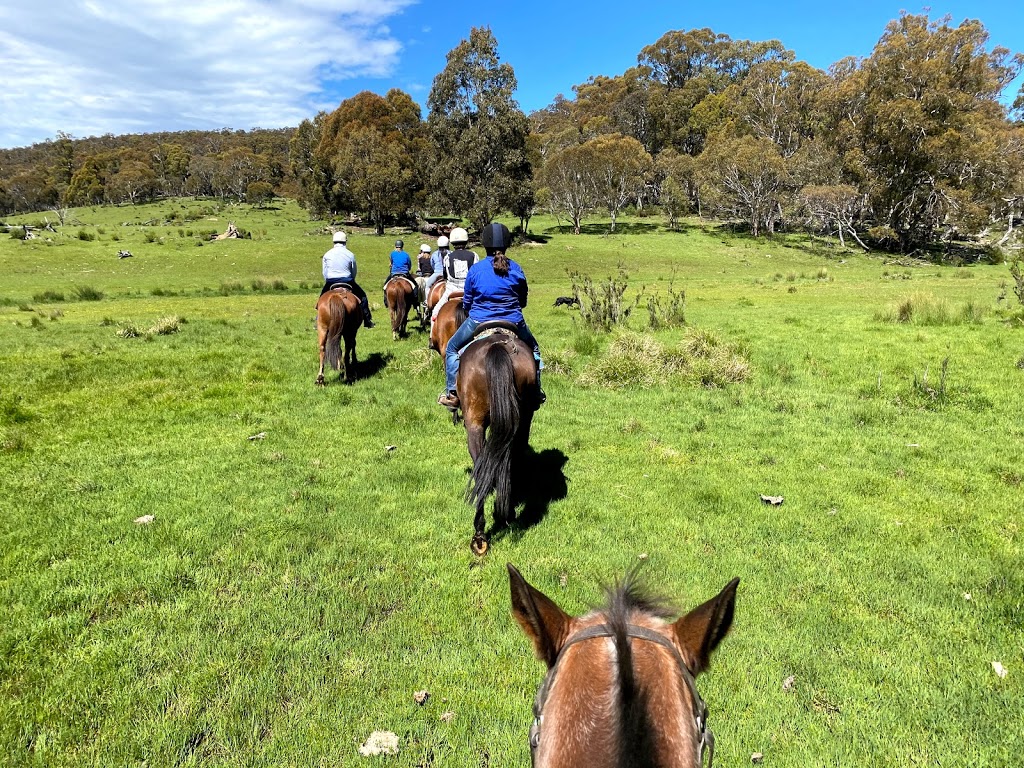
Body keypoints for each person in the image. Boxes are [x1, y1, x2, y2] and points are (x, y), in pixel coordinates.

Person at [438, 222, 544, 408]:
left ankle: (452, 393)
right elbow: (523, 301)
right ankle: (535, 392)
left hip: (479, 320)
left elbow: (468, 302)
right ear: (507, 244)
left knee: (452, 348)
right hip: (513, 321)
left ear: (485, 243)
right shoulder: (517, 268)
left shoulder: (476, 270)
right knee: (534, 350)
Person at [320, 230, 373, 327]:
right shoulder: (350, 254)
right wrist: (352, 279)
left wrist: (328, 280)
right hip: (347, 280)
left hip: (331, 281)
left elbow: (324, 272)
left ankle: (318, 318)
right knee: (363, 297)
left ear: (333, 241)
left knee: (321, 298)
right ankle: (367, 320)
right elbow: (354, 271)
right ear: (345, 241)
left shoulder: (327, 254)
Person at [430, 227, 478, 324]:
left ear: (452, 242)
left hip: (452, 290)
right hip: (470, 291)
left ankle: (431, 338)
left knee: (435, 314)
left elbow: (445, 276)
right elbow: (477, 274)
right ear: (466, 241)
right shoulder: (474, 255)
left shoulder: (448, 257)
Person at [383, 239, 415, 307]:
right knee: (415, 286)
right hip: (404, 274)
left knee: (385, 286)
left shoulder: (392, 254)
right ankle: (414, 299)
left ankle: (386, 301)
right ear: (402, 246)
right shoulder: (406, 255)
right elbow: (409, 265)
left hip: (394, 274)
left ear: (395, 246)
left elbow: (391, 263)